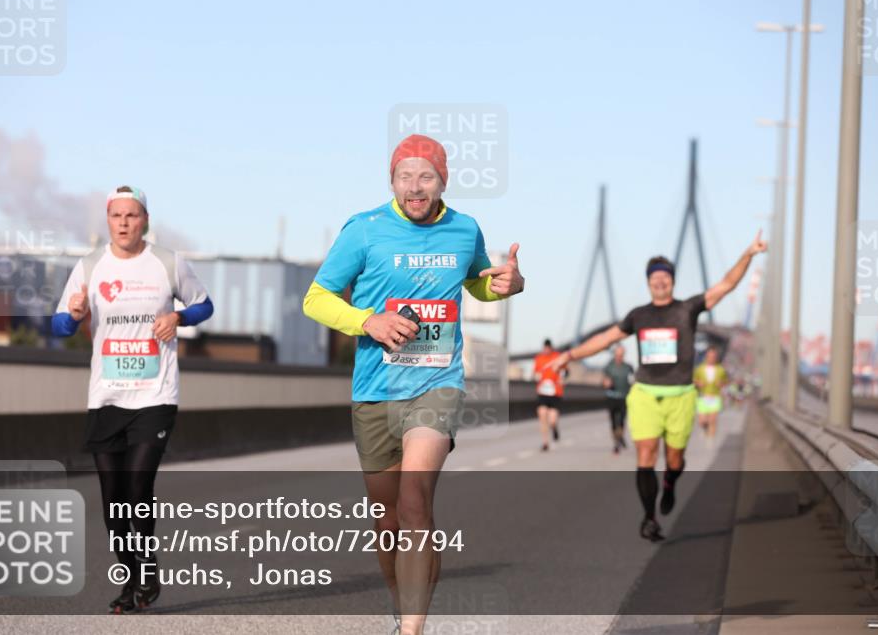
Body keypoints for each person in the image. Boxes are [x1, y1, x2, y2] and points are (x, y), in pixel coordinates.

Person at [302, 134, 524, 635]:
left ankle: (412, 630)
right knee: (387, 523)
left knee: (414, 500)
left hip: (437, 384)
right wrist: (369, 322)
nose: (416, 187)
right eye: (406, 176)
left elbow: (479, 283)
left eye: (426, 176)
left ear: (443, 181)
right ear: (392, 180)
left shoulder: (464, 230)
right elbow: (315, 299)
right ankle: (403, 607)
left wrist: (512, 283)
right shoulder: (364, 230)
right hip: (374, 391)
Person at [52, 186, 214, 613]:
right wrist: (71, 315)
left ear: (145, 219)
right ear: (108, 220)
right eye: (117, 215)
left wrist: (177, 316)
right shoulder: (90, 266)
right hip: (106, 397)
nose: (124, 222)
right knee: (112, 502)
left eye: (133, 214)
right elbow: (59, 328)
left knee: (138, 486)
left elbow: (204, 305)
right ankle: (132, 579)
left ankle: (146, 572)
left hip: (155, 394)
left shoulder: (167, 262)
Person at [554, 231, 766, 542]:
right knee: (646, 454)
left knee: (676, 460)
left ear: (672, 281)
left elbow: (726, 285)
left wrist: (748, 253)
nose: (660, 282)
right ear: (648, 282)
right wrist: (570, 355)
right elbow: (605, 339)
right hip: (645, 394)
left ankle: (669, 482)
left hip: (680, 395)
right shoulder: (638, 316)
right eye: (655, 278)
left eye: (665, 277)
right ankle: (649, 517)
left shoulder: (688, 309)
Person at [533, 339, 568, 451]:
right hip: (543, 392)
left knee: (552, 420)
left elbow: (566, 371)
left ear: (551, 348)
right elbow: (535, 372)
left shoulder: (558, 357)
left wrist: (563, 378)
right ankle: (545, 442)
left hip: (555, 392)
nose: (546, 350)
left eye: (548, 348)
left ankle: (554, 428)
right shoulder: (539, 358)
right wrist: (536, 377)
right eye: (545, 348)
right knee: (542, 415)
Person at [602, 344, 634, 454]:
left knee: (621, 421)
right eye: (618, 354)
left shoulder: (628, 367)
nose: (619, 357)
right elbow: (605, 380)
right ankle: (616, 441)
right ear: (615, 354)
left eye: (621, 355)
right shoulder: (609, 367)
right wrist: (607, 383)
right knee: (613, 421)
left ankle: (619, 437)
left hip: (624, 397)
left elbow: (632, 381)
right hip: (612, 397)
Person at [693, 346, 728, 440]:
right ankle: (705, 429)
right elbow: (694, 380)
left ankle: (711, 440)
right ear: (706, 356)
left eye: (713, 356)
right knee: (702, 421)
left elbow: (726, 381)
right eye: (709, 356)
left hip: (715, 397)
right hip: (703, 396)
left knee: (713, 420)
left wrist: (721, 384)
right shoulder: (699, 369)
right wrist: (698, 383)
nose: (711, 358)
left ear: (716, 357)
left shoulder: (720, 369)